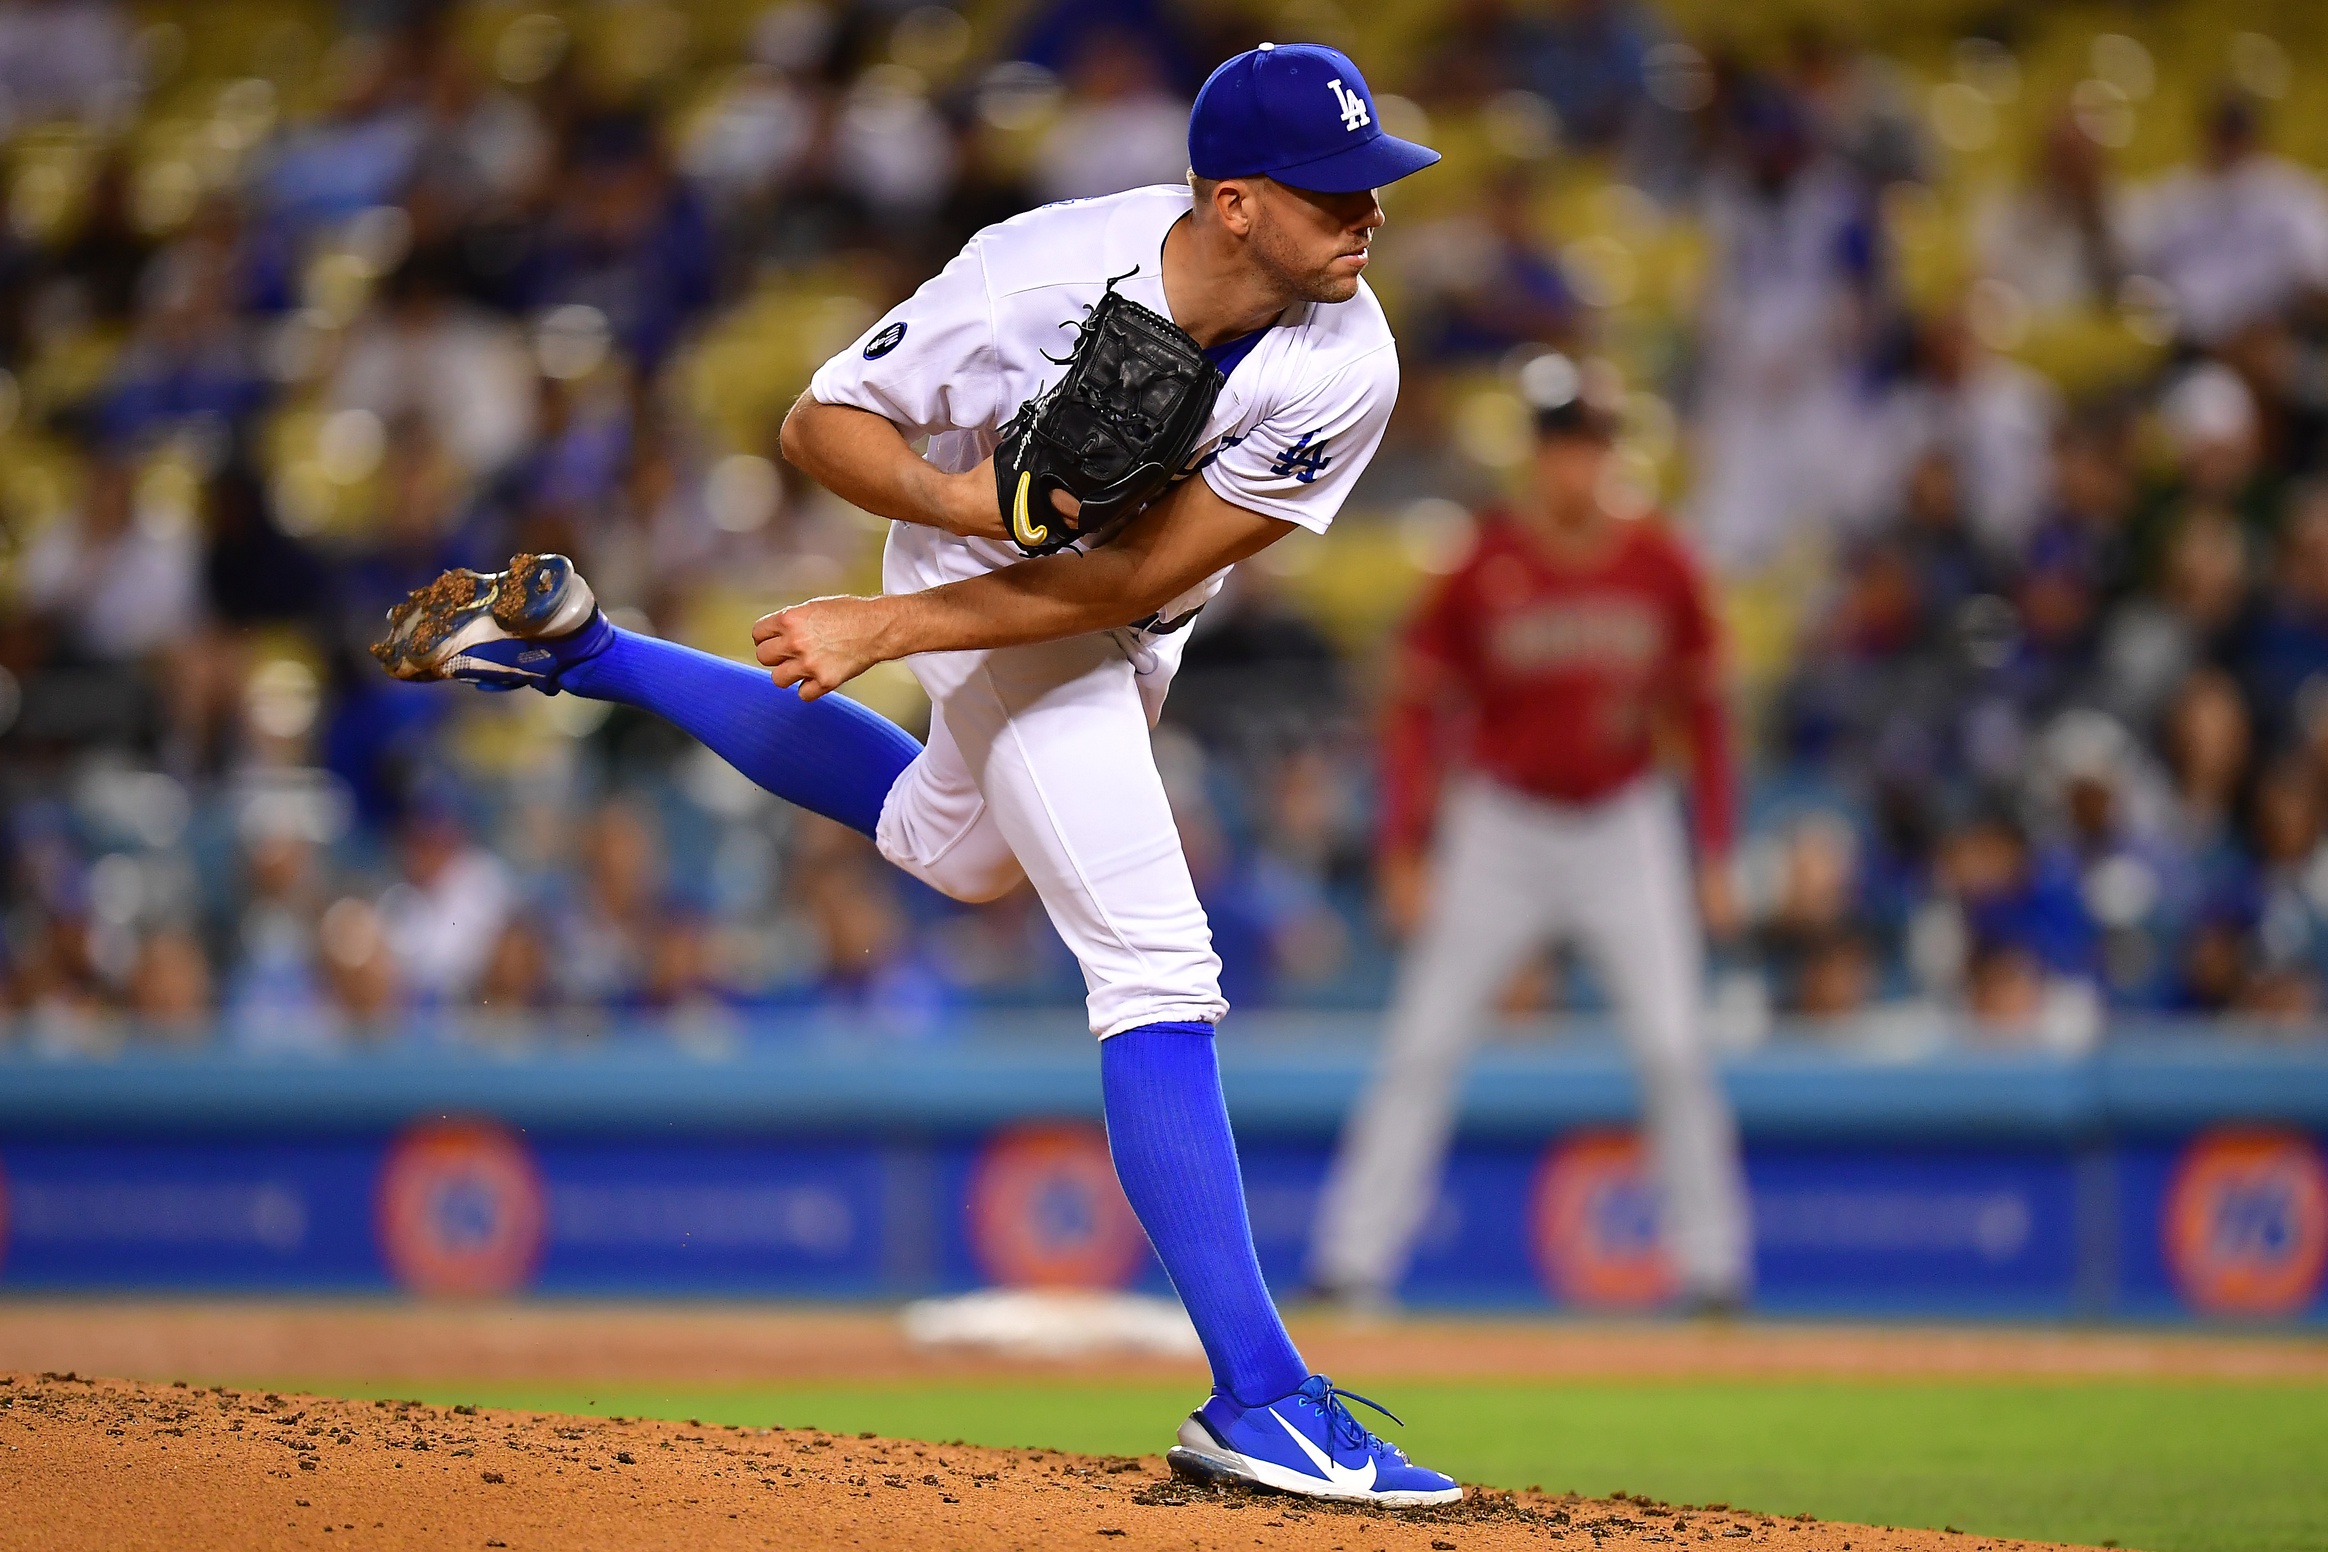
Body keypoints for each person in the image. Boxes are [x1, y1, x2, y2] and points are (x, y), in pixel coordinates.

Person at [365, 43, 1458, 1508]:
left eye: (1374, 184)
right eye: (1337, 192)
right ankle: (1260, 1396)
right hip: (974, 554)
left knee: (955, 848)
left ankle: (587, 649)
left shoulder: (1349, 359)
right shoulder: (1036, 276)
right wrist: (961, 511)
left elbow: (1130, 576)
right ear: (1235, 200)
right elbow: (818, 425)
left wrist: (892, 630)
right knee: (1153, 959)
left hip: (1113, 608)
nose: (1368, 216)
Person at [1309, 353, 1751, 1312]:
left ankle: (1715, 1270)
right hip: (1501, 827)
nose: (1572, 465)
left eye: (1588, 445)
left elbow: (1710, 717)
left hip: (1625, 825)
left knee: (1674, 1047)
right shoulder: (1484, 563)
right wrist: (1403, 845)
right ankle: (1353, 1261)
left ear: (1609, 455)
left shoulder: (1661, 562)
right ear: (1536, 457)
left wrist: (1715, 849)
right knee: (1425, 1043)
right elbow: (1416, 711)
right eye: (1559, 445)